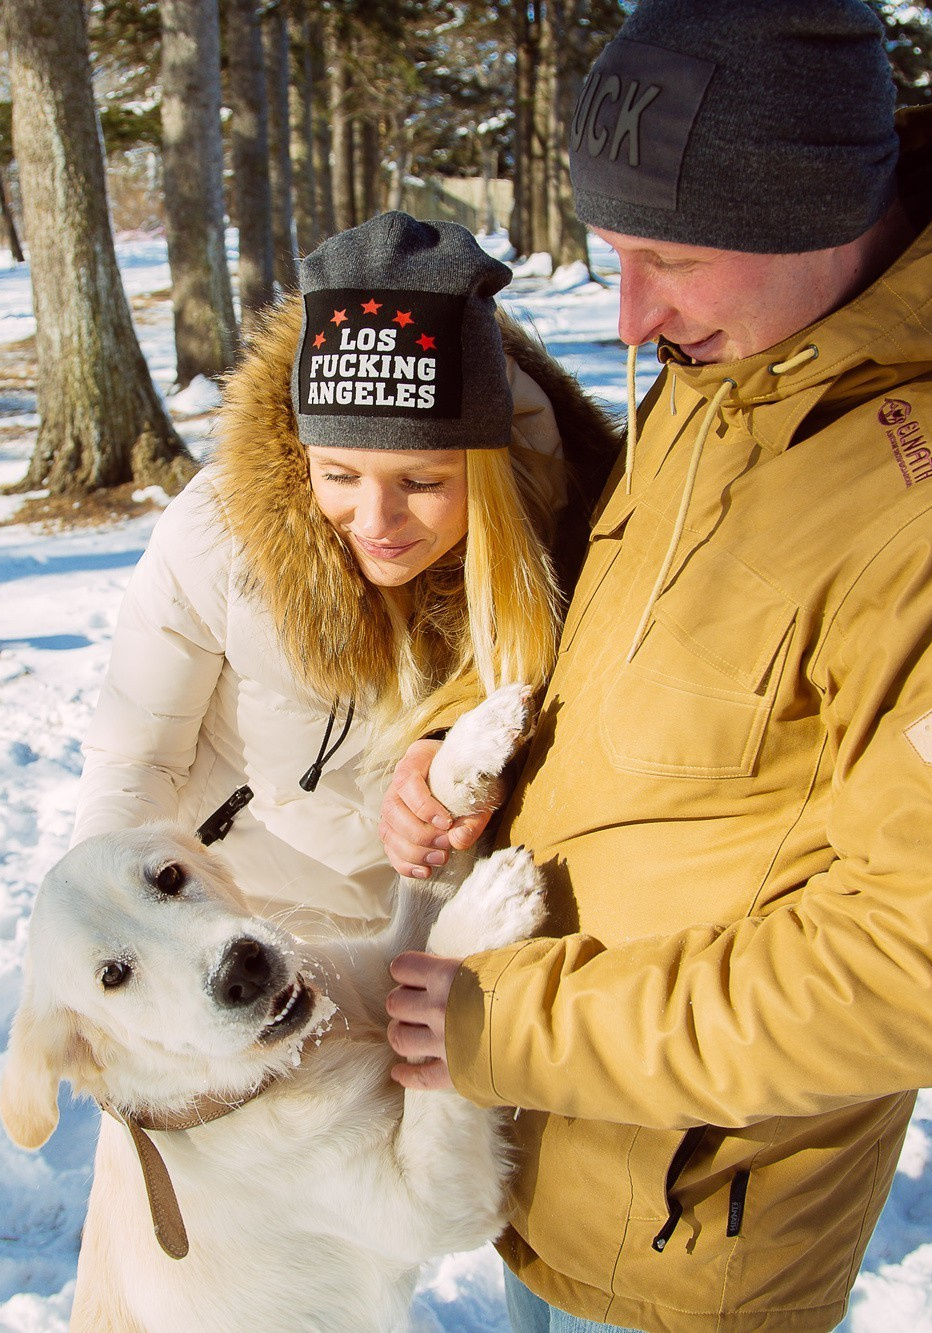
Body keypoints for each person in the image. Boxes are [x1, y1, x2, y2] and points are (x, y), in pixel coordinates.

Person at [380, 3, 932, 1330]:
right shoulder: (738, 369)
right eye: (618, 252)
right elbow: (624, 625)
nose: (629, 313)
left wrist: (513, 1026)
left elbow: (923, 968)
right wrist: (459, 742)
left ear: (821, 214)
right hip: (532, 1145)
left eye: (671, 255)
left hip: (685, 1231)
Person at [71, 211, 615, 938]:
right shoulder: (218, 536)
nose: (374, 520)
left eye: (420, 481)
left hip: (425, 944)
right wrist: (100, 919)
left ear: (485, 470)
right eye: (338, 473)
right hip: (235, 928)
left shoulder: (567, 533)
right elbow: (134, 758)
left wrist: (448, 735)